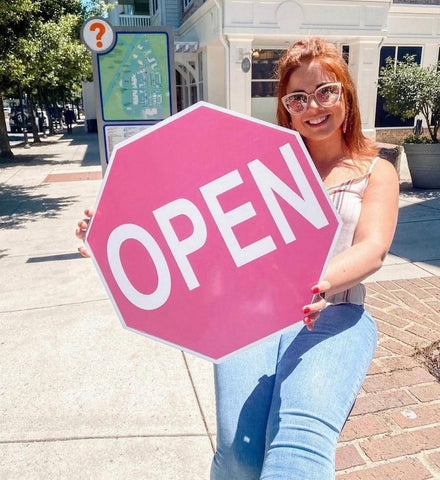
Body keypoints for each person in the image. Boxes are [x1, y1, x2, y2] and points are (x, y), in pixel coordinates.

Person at [76, 37, 399, 480]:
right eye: (298, 98)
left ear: (346, 92)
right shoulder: (261, 159)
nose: (314, 106)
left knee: (298, 445)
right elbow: (189, 217)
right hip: (254, 319)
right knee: (237, 455)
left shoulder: (375, 169)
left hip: (335, 315)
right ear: (286, 107)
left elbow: (373, 247)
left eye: (326, 91)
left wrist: (315, 282)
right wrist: (109, 231)